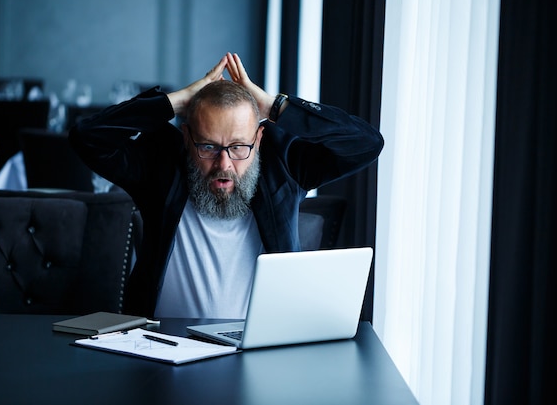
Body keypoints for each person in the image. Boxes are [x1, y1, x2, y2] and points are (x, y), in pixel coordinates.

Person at [69, 53, 384, 319]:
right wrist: (172, 103)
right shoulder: (160, 164)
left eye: (237, 147)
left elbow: (365, 144)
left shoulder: (282, 164)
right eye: (208, 147)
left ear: (258, 140)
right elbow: (87, 138)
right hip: (161, 348)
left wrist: (276, 107)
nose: (224, 164)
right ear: (187, 138)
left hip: (261, 347)